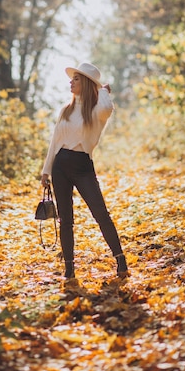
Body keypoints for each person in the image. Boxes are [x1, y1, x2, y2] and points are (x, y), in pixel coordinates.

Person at [41, 62, 128, 280]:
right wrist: (46, 170)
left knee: (101, 214)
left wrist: (102, 91)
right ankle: (69, 269)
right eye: (72, 79)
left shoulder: (97, 109)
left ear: (87, 84)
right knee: (65, 219)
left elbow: (107, 109)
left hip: (82, 165)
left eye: (76, 79)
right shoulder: (66, 109)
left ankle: (120, 260)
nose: (71, 82)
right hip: (60, 166)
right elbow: (55, 141)